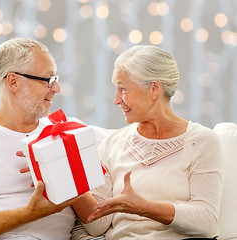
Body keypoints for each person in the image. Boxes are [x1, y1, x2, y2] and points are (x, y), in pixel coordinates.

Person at [0, 37, 110, 239]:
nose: (56, 89)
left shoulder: (62, 133)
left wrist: (63, 172)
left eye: (56, 79)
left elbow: (96, 225)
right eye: (48, 80)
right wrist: (30, 213)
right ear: (13, 82)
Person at [82, 45, 224, 239]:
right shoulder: (111, 145)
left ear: (154, 89)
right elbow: (96, 225)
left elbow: (206, 221)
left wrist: (144, 208)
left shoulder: (201, 142)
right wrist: (67, 183)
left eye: (123, 89)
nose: (116, 100)